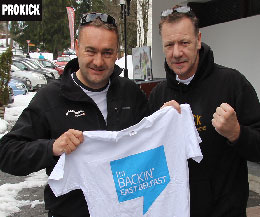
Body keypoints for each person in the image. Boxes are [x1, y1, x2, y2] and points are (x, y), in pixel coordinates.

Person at [0, 13, 149, 217]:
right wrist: (51, 147)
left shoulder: (130, 94)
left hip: (126, 211)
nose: (98, 61)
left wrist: (168, 116)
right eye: (90, 51)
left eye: (107, 52)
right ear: (77, 47)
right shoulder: (51, 98)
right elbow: (7, 153)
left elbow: (152, 146)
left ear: (117, 53)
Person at [149, 5, 260, 217]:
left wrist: (237, 133)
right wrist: (158, 130)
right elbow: (150, 164)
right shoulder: (157, 96)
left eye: (184, 42)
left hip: (225, 211)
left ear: (198, 40)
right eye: (169, 44)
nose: (177, 52)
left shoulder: (232, 83)